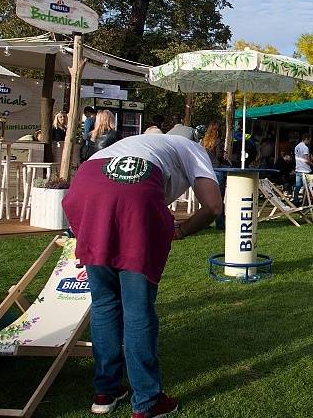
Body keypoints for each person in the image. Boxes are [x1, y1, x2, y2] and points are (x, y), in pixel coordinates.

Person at [62, 133, 222, 418]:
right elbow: (213, 206)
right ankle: (148, 400)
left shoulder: (139, 142)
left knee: (104, 303)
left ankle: (105, 391)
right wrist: (181, 231)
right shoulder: (194, 149)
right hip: (133, 194)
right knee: (137, 308)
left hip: (86, 186)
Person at [200, 120, 226, 230]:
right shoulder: (218, 141)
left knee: (207, 199)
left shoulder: (204, 142)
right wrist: (225, 156)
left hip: (207, 170)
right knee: (219, 199)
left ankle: (204, 222)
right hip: (217, 170)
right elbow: (219, 156)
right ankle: (220, 224)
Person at [293, 133, 312, 204]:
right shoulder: (305, 148)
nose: (309, 142)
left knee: (297, 186)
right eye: (309, 140)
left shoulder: (297, 146)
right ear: (306, 139)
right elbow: (306, 160)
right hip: (305, 170)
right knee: (306, 187)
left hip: (298, 169)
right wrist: (312, 164)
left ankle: (295, 200)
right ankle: (305, 201)